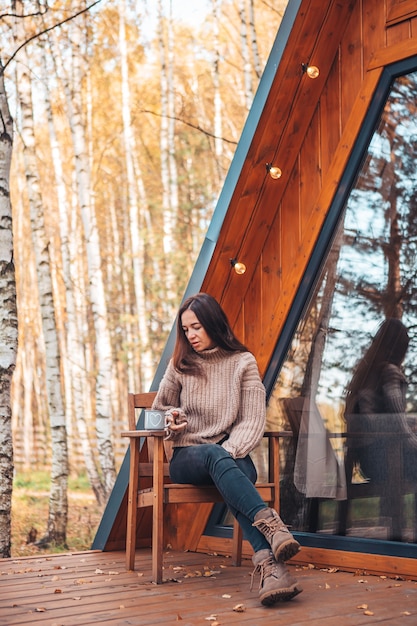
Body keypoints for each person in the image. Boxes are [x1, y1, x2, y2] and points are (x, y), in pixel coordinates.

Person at [151, 292, 302, 606]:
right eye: (186, 329)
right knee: (217, 459)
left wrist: (228, 452)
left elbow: (252, 419)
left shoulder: (242, 363)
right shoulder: (179, 364)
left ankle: (271, 569)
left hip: (230, 454)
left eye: (197, 327)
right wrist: (170, 420)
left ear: (213, 323)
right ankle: (271, 525)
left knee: (228, 465)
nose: (191, 335)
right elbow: (157, 412)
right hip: (187, 457)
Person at [345, 318, 417, 483]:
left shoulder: (365, 375)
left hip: (367, 460)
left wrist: (411, 421)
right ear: (400, 349)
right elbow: (398, 422)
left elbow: (387, 416)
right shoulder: (389, 372)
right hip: (385, 459)